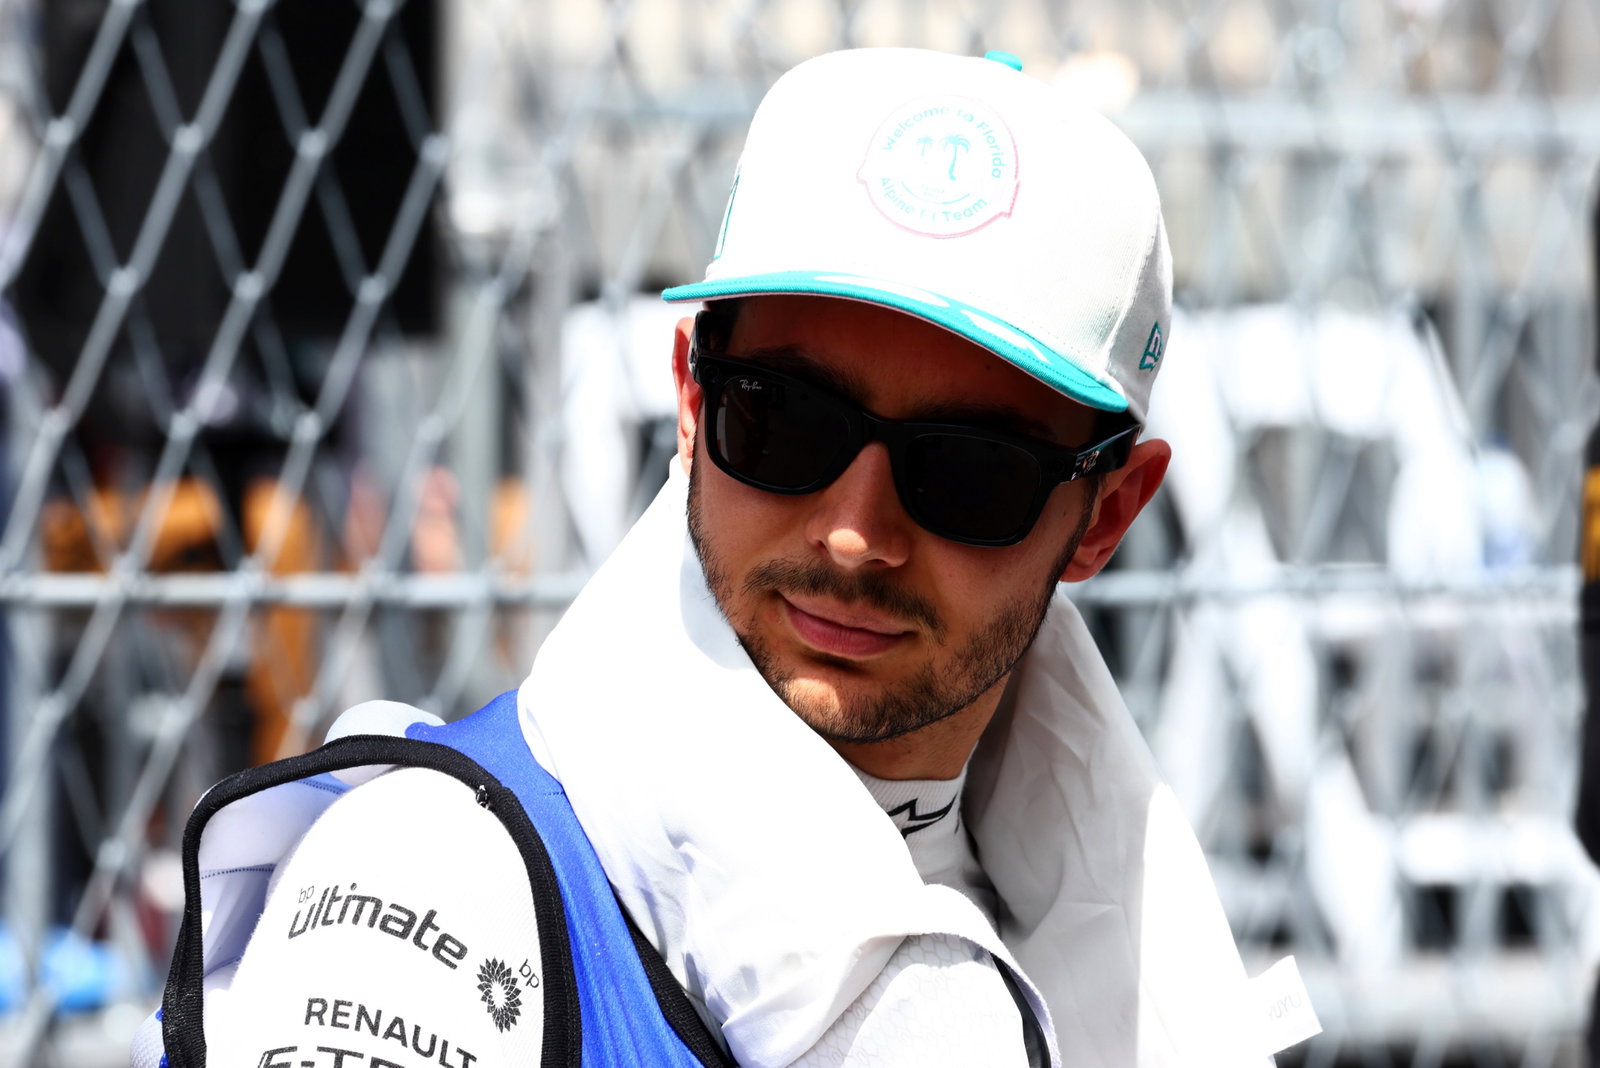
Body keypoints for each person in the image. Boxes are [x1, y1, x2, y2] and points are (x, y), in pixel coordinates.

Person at [140, 47, 1316, 1067]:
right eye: (786, 420)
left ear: (1106, 516)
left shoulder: (1113, 949)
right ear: (693, 402)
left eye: (968, 471)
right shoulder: (433, 891)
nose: (855, 531)